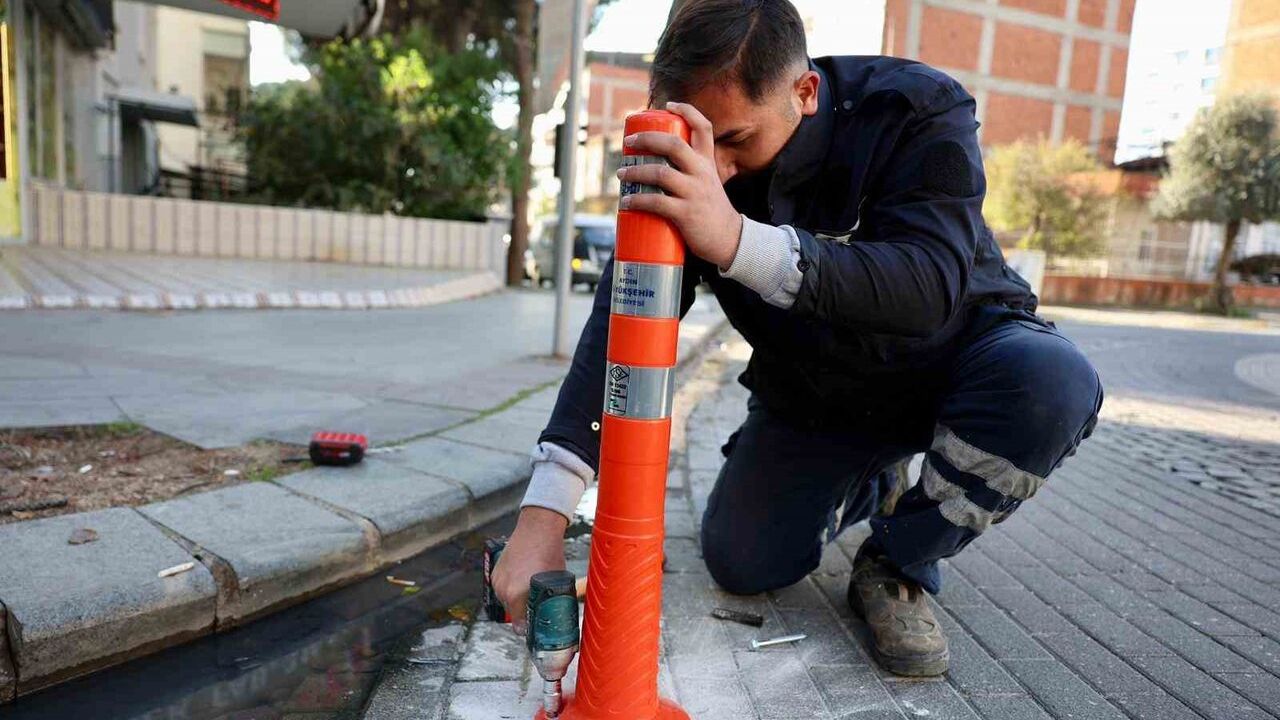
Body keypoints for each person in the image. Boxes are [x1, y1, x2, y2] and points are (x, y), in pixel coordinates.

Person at [493, 0, 1103, 677]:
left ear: (804, 92)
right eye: (697, 142)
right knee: (742, 559)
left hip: (956, 363)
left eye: (734, 141)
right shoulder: (691, 153)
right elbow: (623, 327)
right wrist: (542, 517)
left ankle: (900, 558)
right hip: (818, 394)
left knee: (1052, 386)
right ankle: (872, 482)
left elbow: (928, 284)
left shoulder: (916, 110)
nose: (714, 171)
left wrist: (733, 239)